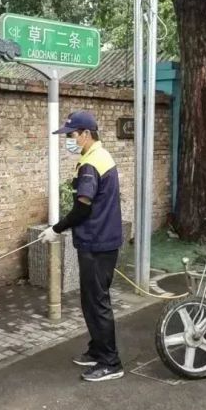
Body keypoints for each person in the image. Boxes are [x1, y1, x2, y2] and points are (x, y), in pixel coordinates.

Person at [39, 110, 124, 381]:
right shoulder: (98, 156)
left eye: (72, 135)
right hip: (100, 240)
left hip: (97, 243)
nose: (70, 140)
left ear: (86, 134)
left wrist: (56, 229)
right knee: (91, 300)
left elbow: (82, 208)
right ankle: (98, 350)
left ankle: (111, 363)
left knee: (97, 302)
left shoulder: (91, 163)